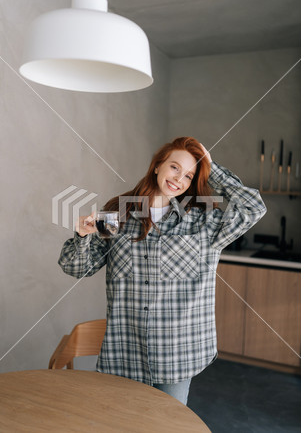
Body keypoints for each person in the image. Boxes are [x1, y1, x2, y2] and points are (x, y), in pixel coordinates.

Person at [58, 136, 267, 405]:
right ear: (158, 166)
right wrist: (82, 235)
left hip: (177, 358)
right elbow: (77, 269)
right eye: (175, 167)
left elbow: (254, 207)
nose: (179, 179)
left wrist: (211, 168)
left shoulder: (205, 223)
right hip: (125, 354)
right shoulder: (116, 216)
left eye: (189, 176)